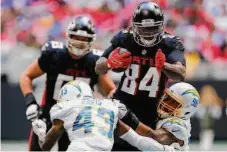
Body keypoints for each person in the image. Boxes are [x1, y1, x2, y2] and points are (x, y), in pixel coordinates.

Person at [95, 1, 186, 150]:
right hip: (122, 106)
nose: (148, 33)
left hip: (151, 111)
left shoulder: (169, 43)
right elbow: (98, 67)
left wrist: (164, 65)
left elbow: (181, 73)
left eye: (152, 28)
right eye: (144, 29)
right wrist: (110, 63)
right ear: (135, 26)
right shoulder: (125, 39)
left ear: (161, 25)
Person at [19, 16, 116, 151]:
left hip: (77, 120)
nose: (79, 42)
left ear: (91, 40)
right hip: (49, 113)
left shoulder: (95, 61)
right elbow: (26, 76)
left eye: (84, 38)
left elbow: (111, 90)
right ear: (68, 36)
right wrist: (31, 102)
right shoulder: (54, 54)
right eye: (76, 37)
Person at [31, 80, 175, 151]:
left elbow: (46, 146)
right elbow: (137, 140)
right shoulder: (109, 106)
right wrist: (164, 150)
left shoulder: (66, 107)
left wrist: (41, 131)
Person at [120, 82, 200, 151]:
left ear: (187, 111)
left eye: (173, 102)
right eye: (167, 97)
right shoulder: (167, 115)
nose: (165, 103)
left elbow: (153, 137)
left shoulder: (180, 125)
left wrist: (127, 117)